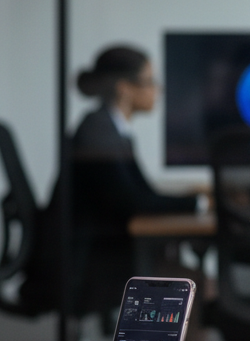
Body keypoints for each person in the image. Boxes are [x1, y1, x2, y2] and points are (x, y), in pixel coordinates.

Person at [71, 46, 204, 318]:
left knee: (192, 280)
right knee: (198, 288)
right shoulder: (100, 132)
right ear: (125, 88)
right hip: (97, 258)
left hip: (107, 247)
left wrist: (193, 196)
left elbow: (138, 191)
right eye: (150, 81)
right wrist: (199, 203)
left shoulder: (109, 128)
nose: (158, 90)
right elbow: (132, 201)